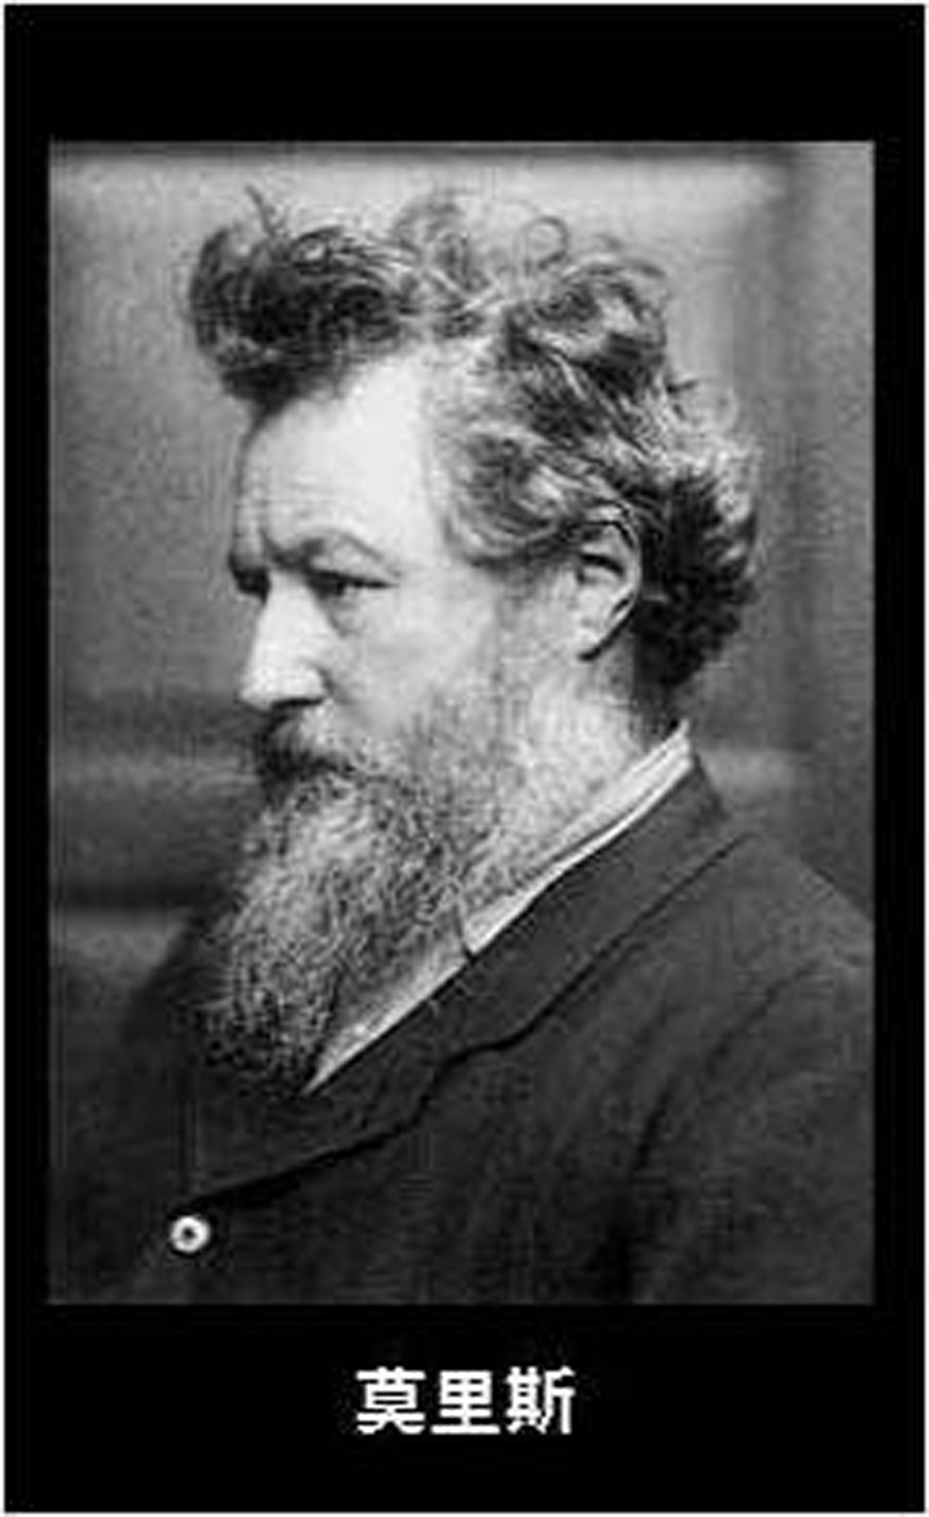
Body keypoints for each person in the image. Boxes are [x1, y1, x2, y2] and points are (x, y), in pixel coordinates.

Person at [54, 188, 872, 1304]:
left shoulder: (801, 1031)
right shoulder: (264, 924)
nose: (263, 671)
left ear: (590, 580)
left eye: (339, 582)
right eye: (259, 585)